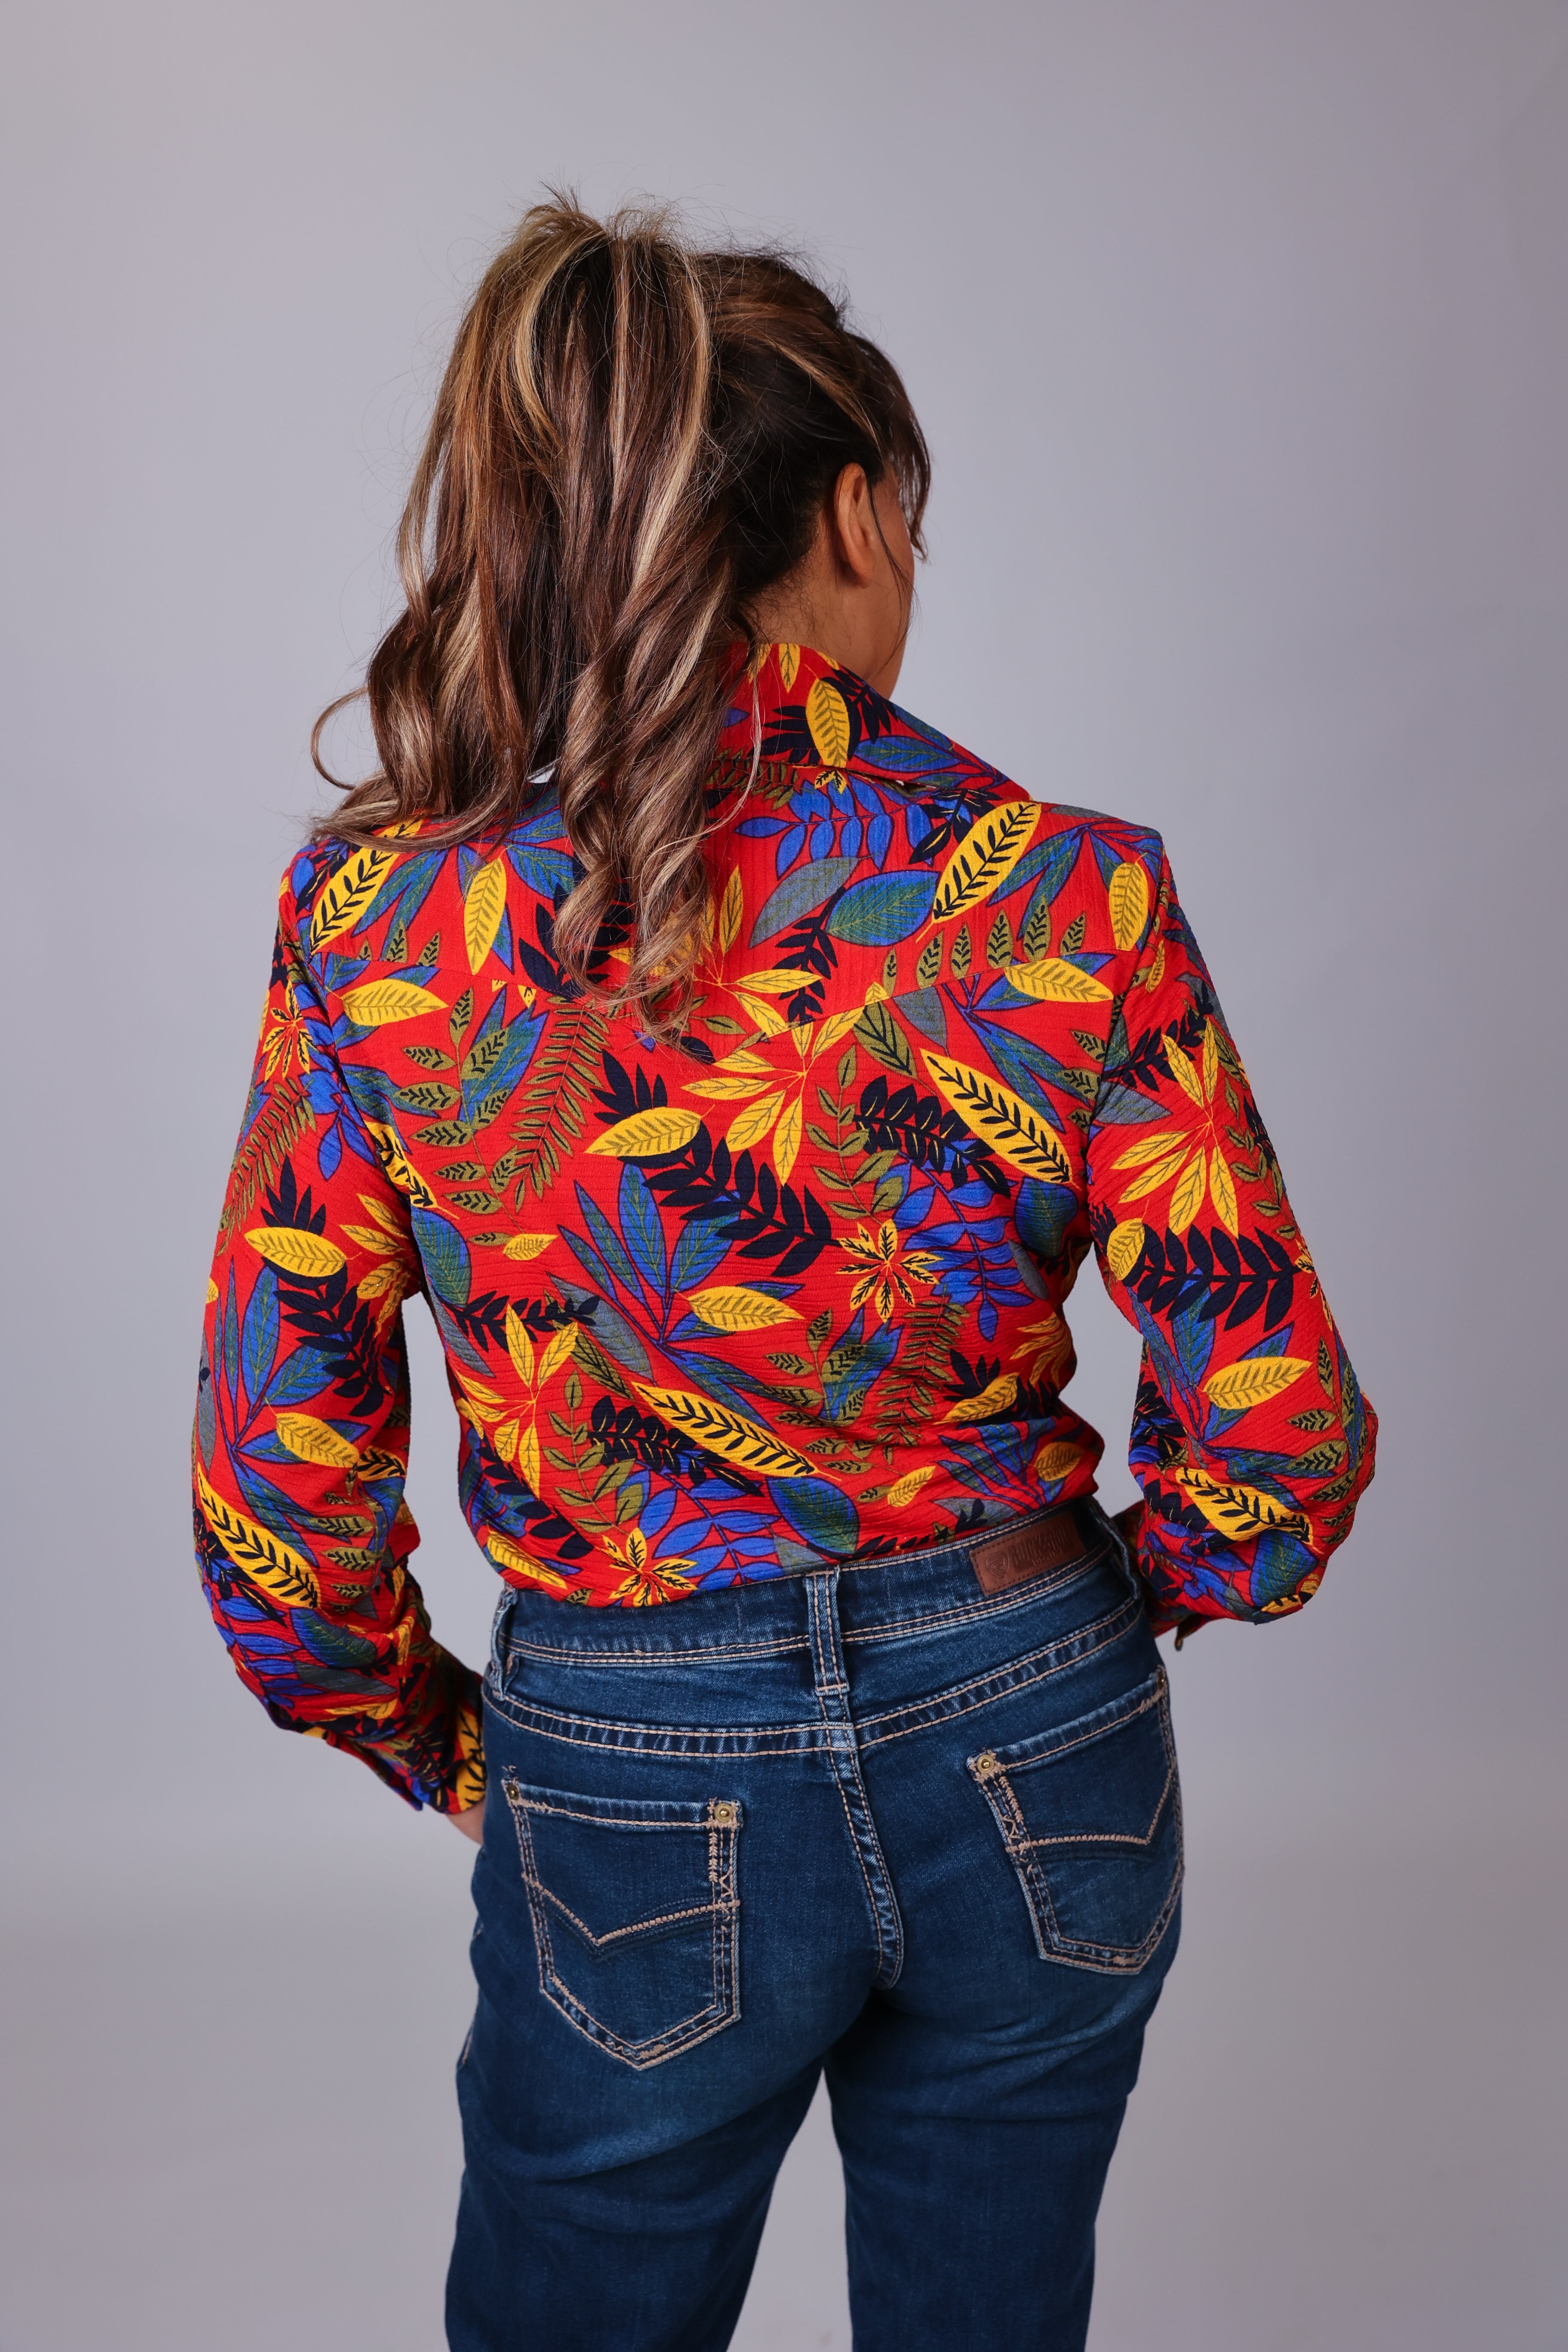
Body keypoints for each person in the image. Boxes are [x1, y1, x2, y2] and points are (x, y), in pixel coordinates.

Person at [193, 197, 1376, 2352]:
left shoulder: (383, 934)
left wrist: (478, 1749)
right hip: (1037, 1727)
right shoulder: (1066, 899)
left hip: (627, 1750)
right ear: (850, 510)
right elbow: (1283, 1439)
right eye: (901, 520)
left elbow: (283, 1504)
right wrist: (1088, 1628)